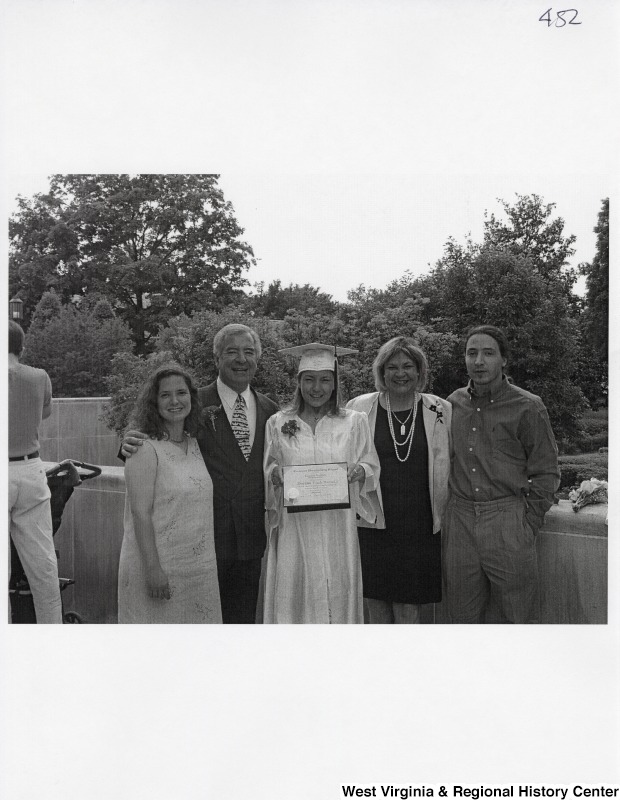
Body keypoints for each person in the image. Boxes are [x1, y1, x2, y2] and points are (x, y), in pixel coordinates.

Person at [121, 324, 278, 623]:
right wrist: (128, 443)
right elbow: (157, 440)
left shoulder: (271, 410)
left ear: (257, 359)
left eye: (248, 352)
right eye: (231, 352)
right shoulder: (191, 403)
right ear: (217, 358)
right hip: (201, 545)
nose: (241, 359)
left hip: (249, 542)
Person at [443, 325, 560, 624]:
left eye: (488, 353)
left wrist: (527, 523)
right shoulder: (451, 404)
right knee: (461, 618)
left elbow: (546, 471)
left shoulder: (528, 406)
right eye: (472, 353)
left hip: (508, 520)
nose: (479, 361)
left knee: (515, 618)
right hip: (460, 522)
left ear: (504, 360)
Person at [261, 343, 381, 624]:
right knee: (294, 589)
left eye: (325, 379)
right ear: (299, 382)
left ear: (335, 383)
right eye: (309, 380)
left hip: (337, 524)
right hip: (295, 527)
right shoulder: (278, 422)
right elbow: (268, 469)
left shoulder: (354, 421)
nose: (317, 388)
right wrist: (275, 476)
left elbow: (372, 462)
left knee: (337, 587)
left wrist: (360, 471)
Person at [347, 336, 452, 624]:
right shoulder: (358, 408)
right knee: (376, 603)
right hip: (373, 522)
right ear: (381, 372)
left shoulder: (440, 410)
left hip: (419, 526)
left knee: (410, 610)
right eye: (392, 367)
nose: (400, 373)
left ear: (419, 372)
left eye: (408, 366)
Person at [118, 363, 221, 623]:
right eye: (165, 395)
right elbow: (140, 513)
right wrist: (153, 570)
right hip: (159, 569)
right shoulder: (143, 448)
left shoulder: (195, 444)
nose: (174, 401)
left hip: (198, 573)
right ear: (154, 402)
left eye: (181, 393)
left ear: (192, 398)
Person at [8, 320, 62, 624]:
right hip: (31, 469)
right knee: (43, 566)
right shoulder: (39, 376)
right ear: (21, 347)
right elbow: (45, 411)